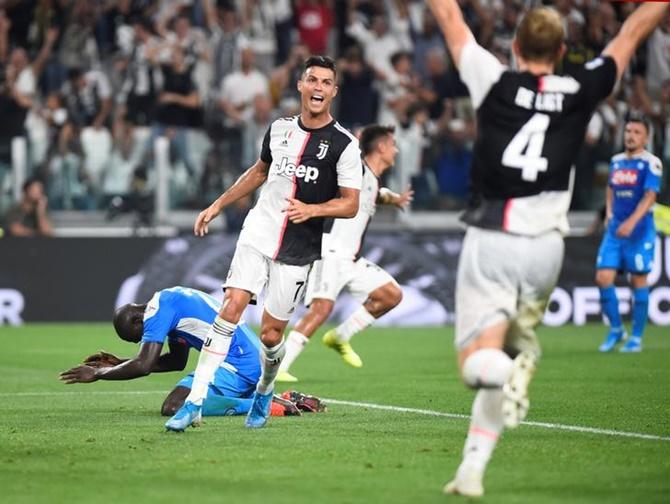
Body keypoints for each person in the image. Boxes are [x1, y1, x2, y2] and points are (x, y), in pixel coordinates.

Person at [427, 0, 670, 497]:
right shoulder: (580, 87)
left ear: (515, 48)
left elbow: (451, 19)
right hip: (547, 250)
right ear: (561, 52)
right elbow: (629, 34)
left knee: (477, 364)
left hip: (494, 236)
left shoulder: (493, 79)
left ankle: (510, 369)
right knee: (503, 361)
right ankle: (472, 470)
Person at [166, 55, 362, 431]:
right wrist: (218, 205)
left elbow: (351, 203)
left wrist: (313, 209)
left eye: (325, 82)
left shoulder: (345, 145)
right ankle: (194, 402)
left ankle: (266, 388)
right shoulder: (278, 129)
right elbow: (259, 172)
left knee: (272, 335)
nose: (318, 87)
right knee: (232, 306)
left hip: (298, 247)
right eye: (312, 80)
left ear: (333, 92)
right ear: (300, 86)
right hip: (258, 231)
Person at [59, 286, 324, 418]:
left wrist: (100, 373)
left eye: (138, 338)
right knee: (183, 398)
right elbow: (175, 361)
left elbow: (144, 365)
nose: (144, 341)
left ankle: (265, 405)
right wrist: (122, 363)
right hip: (247, 360)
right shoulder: (170, 302)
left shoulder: (156, 312)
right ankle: (284, 397)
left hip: (237, 362)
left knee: (173, 406)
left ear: (138, 321)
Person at [277, 124, 412, 383]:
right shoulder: (356, 170)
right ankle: (280, 366)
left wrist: (393, 199)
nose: (395, 149)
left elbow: (376, 194)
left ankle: (341, 336)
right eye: (392, 144)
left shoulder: (371, 178)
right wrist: (349, 143)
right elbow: (335, 174)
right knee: (321, 309)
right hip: (329, 251)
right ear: (381, 147)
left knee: (390, 295)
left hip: (351, 259)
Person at [596, 117, 662, 353]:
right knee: (603, 278)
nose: (630, 135)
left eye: (636, 132)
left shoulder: (651, 163)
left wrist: (632, 222)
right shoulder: (616, 161)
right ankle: (616, 329)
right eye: (628, 130)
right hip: (615, 230)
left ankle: (636, 338)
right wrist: (609, 213)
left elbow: (650, 196)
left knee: (638, 280)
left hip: (640, 230)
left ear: (646, 138)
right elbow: (610, 188)